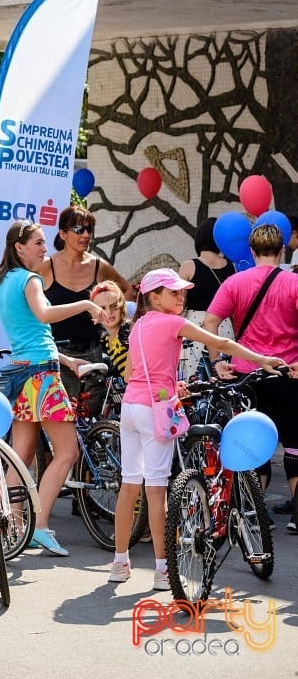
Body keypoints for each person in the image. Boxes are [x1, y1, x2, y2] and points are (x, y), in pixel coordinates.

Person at [109, 267, 283, 590]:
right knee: (156, 489)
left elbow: (134, 372)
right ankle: (163, 569)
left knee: (129, 484)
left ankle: (120, 562)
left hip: (131, 409)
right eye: (173, 292)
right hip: (154, 412)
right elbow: (220, 342)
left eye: (182, 291)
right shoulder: (174, 322)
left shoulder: (138, 326)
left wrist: (170, 385)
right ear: (153, 297)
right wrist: (263, 360)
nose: (181, 296)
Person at [0, 220, 109, 557]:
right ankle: (39, 525)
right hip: (41, 377)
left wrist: (67, 360)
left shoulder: (5, 282)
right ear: (20, 247)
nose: (45, 249)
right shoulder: (29, 279)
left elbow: (29, 335)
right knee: (68, 452)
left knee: (21, 455)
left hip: (21, 372)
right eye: (39, 243)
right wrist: (87, 304)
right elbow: (43, 316)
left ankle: (14, 525)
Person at [204, 223, 298, 532]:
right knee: (295, 444)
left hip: (248, 376)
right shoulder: (294, 283)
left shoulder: (234, 283)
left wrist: (217, 361)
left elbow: (210, 322)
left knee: (255, 444)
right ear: (282, 249)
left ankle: (256, 513)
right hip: (289, 374)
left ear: (252, 251)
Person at [39, 205, 134, 399]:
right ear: (63, 234)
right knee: (58, 418)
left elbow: (127, 290)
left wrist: (114, 321)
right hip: (58, 355)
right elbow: (25, 301)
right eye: (79, 229)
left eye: (89, 229)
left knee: (90, 420)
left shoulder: (98, 266)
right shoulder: (46, 266)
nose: (86, 235)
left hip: (93, 353)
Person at [177, 217, 235, 379]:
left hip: (197, 326)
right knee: (225, 375)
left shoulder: (189, 265)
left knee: (196, 379)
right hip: (224, 325)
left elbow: (179, 303)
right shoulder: (231, 266)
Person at [90, 280, 130, 378]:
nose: (109, 312)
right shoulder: (106, 341)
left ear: (122, 306)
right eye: (103, 308)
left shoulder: (127, 331)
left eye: (114, 306)